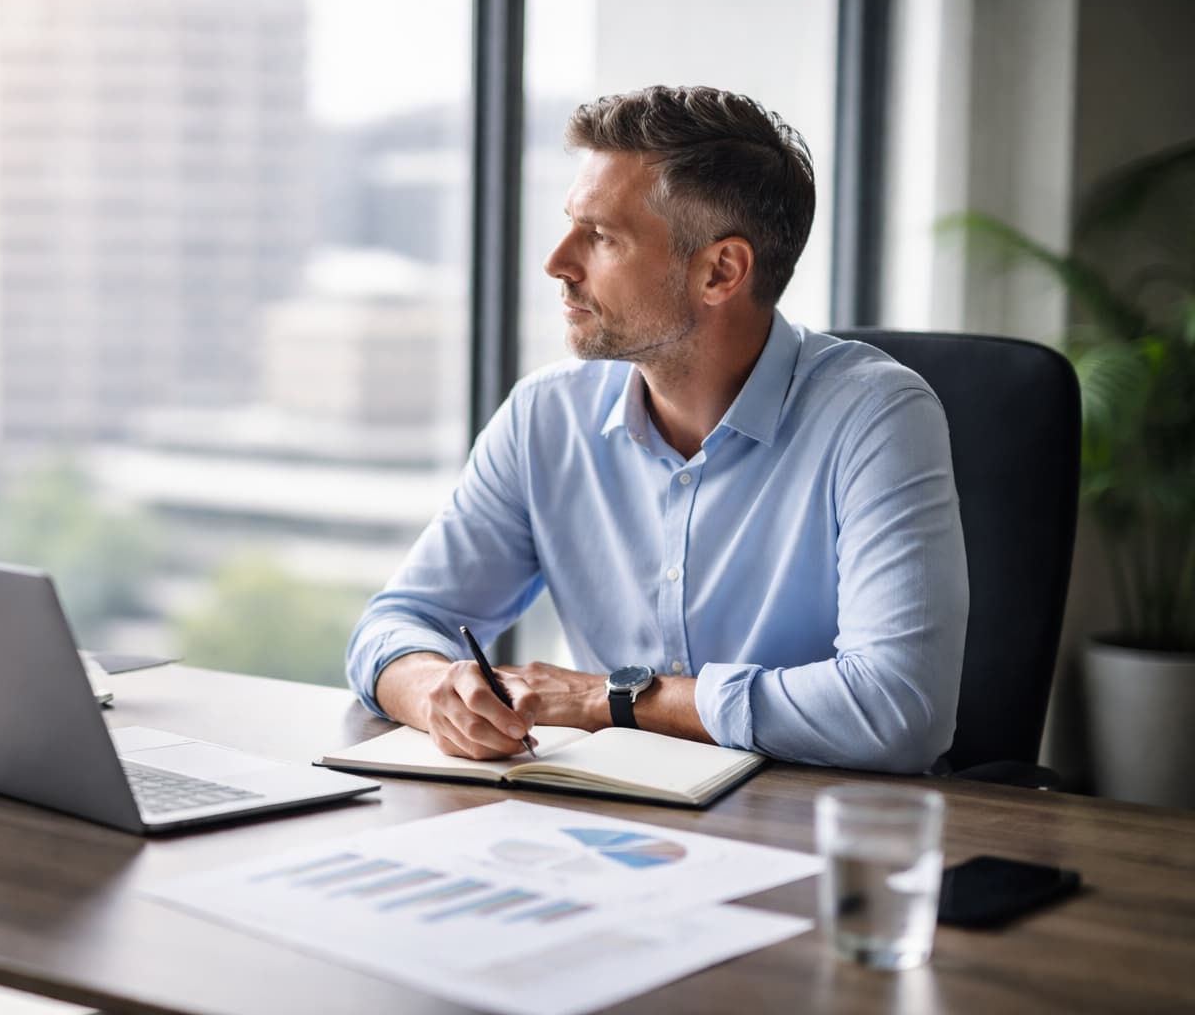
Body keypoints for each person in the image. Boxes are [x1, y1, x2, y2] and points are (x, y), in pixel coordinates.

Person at [345, 85, 967, 774]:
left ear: (719, 271)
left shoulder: (875, 417)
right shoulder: (545, 417)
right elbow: (393, 625)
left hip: (817, 833)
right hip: (606, 830)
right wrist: (438, 690)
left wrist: (611, 700)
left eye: (602, 237)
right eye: (571, 225)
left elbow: (897, 710)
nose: (557, 262)